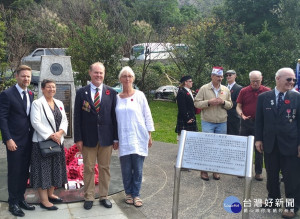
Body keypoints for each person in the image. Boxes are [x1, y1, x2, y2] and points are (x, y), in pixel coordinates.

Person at [255, 67, 300, 219]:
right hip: (270, 143)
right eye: (289, 79)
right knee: (272, 175)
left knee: (291, 178)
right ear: (278, 78)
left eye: (293, 79)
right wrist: (258, 139)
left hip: (291, 145)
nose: (292, 82)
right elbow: (259, 121)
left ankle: (292, 206)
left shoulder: (297, 97)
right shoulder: (264, 97)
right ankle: (273, 200)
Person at [74, 62, 118, 210]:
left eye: (101, 73)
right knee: (89, 168)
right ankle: (89, 196)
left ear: (104, 74)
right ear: (90, 73)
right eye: (96, 72)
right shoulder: (81, 93)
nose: (98, 75)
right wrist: (78, 138)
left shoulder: (111, 93)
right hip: (88, 138)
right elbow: (77, 117)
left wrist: (116, 138)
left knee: (105, 168)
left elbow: (114, 117)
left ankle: (104, 196)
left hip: (106, 138)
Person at [115, 66, 154, 207]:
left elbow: (147, 115)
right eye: (124, 76)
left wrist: (149, 134)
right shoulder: (116, 98)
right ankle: (128, 193)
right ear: (120, 79)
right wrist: (115, 139)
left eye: (129, 76)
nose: (127, 79)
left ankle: (136, 194)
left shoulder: (140, 95)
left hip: (138, 137)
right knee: (126, 169)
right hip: (123, 138)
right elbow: (113, 120)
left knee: (137, 168)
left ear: (133, 79)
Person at [0, 65, 35, 217]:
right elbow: (2, 118)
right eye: (23, 76)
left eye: (28, 76)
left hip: (28, 140)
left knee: (24, 172)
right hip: (14, 141)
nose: (26, 79)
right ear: (17, 76)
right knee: (15, 172)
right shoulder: (7, 94)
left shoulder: (31, 94)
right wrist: (8, 139)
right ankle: (12, 202)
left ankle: (21, 199)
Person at [30, 79, 68, 210]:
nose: (51, 89)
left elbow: (64, 120)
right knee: (43, 171)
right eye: (48, 87)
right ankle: (44, 200)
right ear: (42, 89)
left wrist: (60, 133)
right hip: (43, 143)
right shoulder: (37, 103)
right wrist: (52, 135)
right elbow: (35, 123)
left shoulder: (59, 103)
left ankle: (51, 194)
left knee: (55, 169)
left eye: (53, 87)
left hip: (57, 142)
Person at [194, 66, 232, 181]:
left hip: (222, 122)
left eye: (221, 76)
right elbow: (196, 103)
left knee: (219, 147)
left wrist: (223, 102)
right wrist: (209, 102)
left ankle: (216, 170)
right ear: (212, 76)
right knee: (207, 146)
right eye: (217, 76)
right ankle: (204, 170)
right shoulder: (204, 88)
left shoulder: (225, 89)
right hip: (208, 122)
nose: (220, 78)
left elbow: (230, 105)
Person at [236, 71, 270, 181]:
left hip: (260, 124)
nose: (255, 83)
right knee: (243, 147)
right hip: (245, 122)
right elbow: (238, 106)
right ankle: (241, 170)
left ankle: (258, 172)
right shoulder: (244, 91)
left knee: (259, 147)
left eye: (257, 81)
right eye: (253, 81)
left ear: (262, 79)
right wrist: (242, 115)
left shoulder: (267, 91)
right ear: (250, 80)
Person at [175, 75, 198, 140]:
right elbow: (182, 107)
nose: (192, 82)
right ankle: (181, 149)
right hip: (185, 118)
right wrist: (187, 118)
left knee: (191, 137)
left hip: (191, 117)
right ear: (185, 82)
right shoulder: (181, 92)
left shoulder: (189, 91)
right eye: (190, 81)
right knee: (183, 137)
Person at [225, 70, 242, 135]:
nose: (228, 77)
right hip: (224, 117)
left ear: (235, 76)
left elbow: (238, 103)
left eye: (230, 75)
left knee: (234, 134)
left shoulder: (239, 88)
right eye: (227, 75)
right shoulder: (224, 88)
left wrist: (225, 103)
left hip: (234, 116)